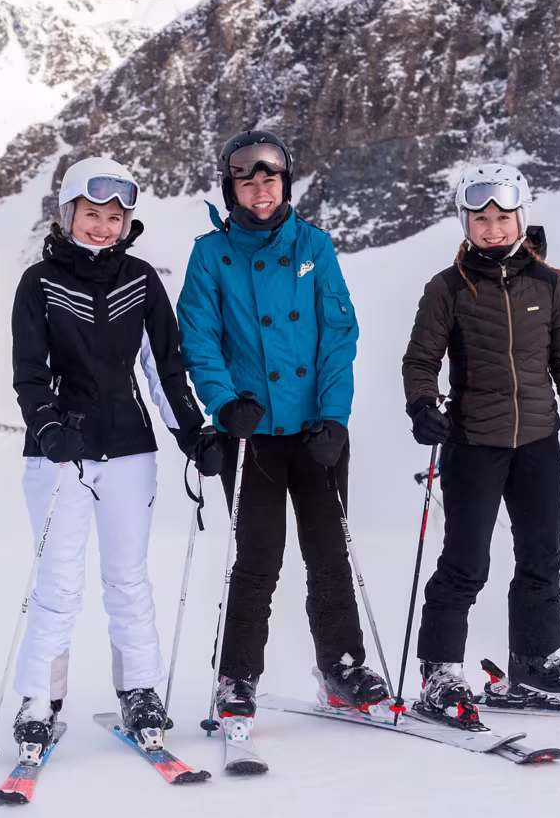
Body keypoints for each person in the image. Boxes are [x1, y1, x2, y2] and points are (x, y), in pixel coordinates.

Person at [8, 157, 223, 758]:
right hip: (59, 456)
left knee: (128, 578)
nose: (104, 227)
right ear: (67, 213)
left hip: (129, 450)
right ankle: (38, 701)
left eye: (115, 217)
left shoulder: (142, 280)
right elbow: (30, 374)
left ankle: (140, 691)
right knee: (57, 583)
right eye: (92, 215)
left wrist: (193, 432)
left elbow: (164, 368)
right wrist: (49, 429)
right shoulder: (39, 284)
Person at [176, 129, 391, 727]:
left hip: (315, 432)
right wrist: (222, 403)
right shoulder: (211, 255)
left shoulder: (314, 247)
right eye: (247, 179)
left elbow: (337, 337)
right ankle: (236, 676)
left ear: (285, 183)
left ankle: (342, 667)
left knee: (329, 555)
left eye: (270, 177)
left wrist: (334, 417)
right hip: (252, 435)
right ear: (231, 188)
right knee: (258, 559)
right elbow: (197, 336)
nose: (261, 189)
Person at [401, 163, 560, 718]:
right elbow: (420, 361)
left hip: (539, 440)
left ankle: (535, 663)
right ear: (464, 222)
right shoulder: (447, 289)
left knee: (542, 554)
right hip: (473, 441)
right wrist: (423, 405)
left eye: (502, 217)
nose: (492, 229)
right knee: (466, 562)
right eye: (480, 219)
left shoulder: (549, 285)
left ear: (522, 217)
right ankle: (441, 672)